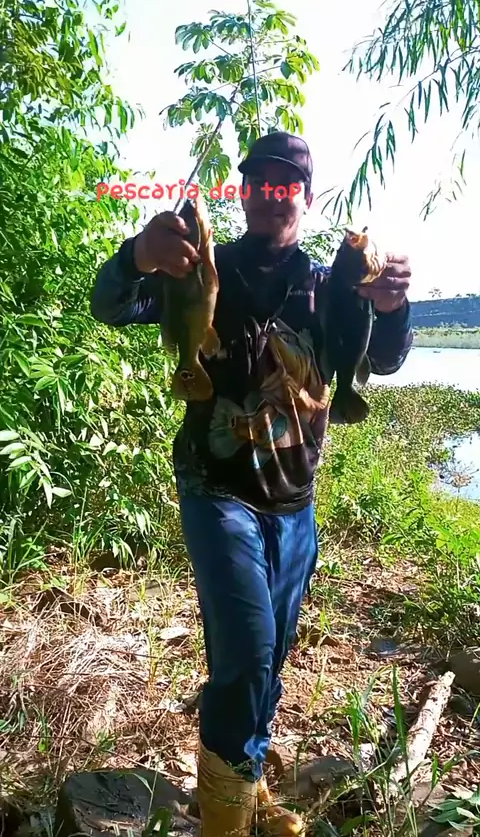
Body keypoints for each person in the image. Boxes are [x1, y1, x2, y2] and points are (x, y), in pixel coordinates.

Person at [90, 132, 412, 837]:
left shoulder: (330, 286)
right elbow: (110, 306)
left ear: (306, 197)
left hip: (296, 501)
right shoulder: (202, 267)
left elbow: (382, 361)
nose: (272, 195)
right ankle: (225, 820)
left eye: (286, 184)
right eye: (259, 182)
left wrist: (393, 309)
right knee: (248, 648)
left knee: (271, 652)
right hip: (216, 488)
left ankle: (243, 779)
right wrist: (137, 256)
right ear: (242, 194)